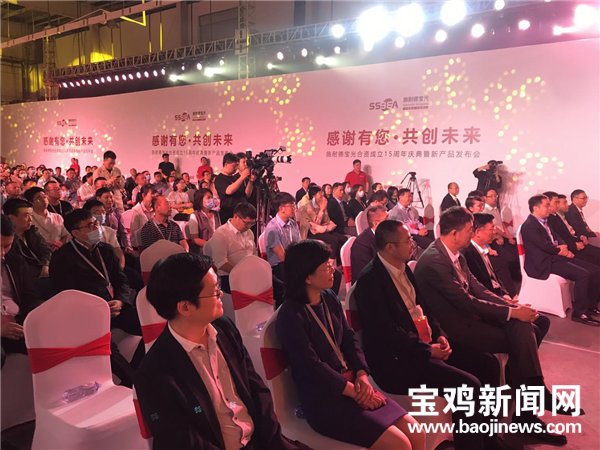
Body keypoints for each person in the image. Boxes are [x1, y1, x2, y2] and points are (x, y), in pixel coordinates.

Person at [413, 206, 579, 438]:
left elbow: (479, 289)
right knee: (524, 334)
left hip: (468, 319)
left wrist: (514, 309)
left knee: (526, 328)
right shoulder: (434, 261)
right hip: (453, 330)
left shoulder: (455, 253)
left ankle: (530, 399)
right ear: (454, 233)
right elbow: (467, 302)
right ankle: (531, 401)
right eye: (469, 230)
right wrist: (512, 313)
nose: (473, 234)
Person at [134, 253, 311, 450]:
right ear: (185, 307)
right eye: (214, 292)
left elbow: (256, 389)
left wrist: (274, 441)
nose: (220, 295)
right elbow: (183, 441)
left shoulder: (224, 329)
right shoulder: (153, 372)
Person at [355, 220, 504, 450]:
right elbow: (387, 332)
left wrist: (440, 335)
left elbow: (424, 308)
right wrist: (427, 350)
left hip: (423, 344)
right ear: (390, 247)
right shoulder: (370, 280)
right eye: (408, 241)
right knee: (467, 386)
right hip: (398, 361)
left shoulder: (403, 268)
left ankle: (488, 439)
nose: (413, 244)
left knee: (489, 364)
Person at [277, 240, 424, 450]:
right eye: (326, 267)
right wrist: (355, 392)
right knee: (399, 444)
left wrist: (363, 374)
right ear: (307, 277)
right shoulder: (291, 316)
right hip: (325, 399)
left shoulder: (329, 298)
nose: (333, 271)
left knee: (416, 431)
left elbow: (348, 339)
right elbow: (311, 367)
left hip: (355, 384)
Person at [50, 209, 143, 387]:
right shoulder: (62, 257)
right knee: (105, 343)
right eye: (90, 226)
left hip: (115, 306)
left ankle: (138, 371)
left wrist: (121, 301)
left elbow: (122, 281)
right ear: (76, 233)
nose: (96, 228)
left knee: (152, 326)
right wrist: (98, 308)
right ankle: (135, 384)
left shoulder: (106, 250)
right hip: (87, 314)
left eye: (96, 224)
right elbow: (66, 294)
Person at [462, 213, 550, 343]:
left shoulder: (481, 249)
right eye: (491, 228)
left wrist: (506, 295)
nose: (494, 232)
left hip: (498, 299)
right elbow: (480, 289)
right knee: (537, 325)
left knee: (540, 320)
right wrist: (506, 303)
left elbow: (494, 279)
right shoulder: (468, 254)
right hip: (489, 307)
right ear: (478, 232)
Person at [521, 195, 600, 327]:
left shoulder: (545, 221)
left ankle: (590, 305)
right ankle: (579, 313)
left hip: (556, 257)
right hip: (545, 262)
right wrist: (562, 250)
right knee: (583, 275)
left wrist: (563, 245)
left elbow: (557, 236)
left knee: (596, 270)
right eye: (546, 205)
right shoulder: (530, 225)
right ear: (536, 208)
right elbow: (543, 245)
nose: (549, 207)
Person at [1, 215, 43, 369]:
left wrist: (36, 316)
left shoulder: (16, 262)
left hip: (17, 322)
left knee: (53, 339)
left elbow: (29, 296)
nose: (2, 253)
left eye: (7, 246)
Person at [204, 203, 258, 293]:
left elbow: (254, 255)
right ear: (236, 217)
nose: (249, 226)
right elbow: (221, 263)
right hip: (230, 277)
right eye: (247, 223)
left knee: (274, 285)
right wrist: (243, 271)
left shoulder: (249, 233)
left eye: (252, 224)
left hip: (250, 274)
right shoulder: (221, 233)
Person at [3, 199, 52, 280]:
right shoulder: (6, 238)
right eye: (26, 216)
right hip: (24, 277)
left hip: (43, 272)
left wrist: (45, 265)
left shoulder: (32, 232)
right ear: (11, 218)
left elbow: (46, 250)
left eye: (31, 215)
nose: (30, 219)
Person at [549, 193, 600, 266]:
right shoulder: (567, 214)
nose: (586, 200)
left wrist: (581, 237)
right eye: (583, 198)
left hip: (577, 241)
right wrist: (575, 244)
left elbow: (575, 231)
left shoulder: (558, 216)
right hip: (571, 247)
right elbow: (562, 237)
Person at [298, 186, 345, 261]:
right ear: (314, 195)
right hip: (311, 232)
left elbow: (326, 220)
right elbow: (315, 225)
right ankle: (331, 261)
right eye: (319, 193)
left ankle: (341, 261)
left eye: (322, 193)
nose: (322, 194)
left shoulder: (321, 204)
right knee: (335, 240)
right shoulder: (308, 207)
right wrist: (322, 210)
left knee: (343, 238)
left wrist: (324, 209)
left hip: (321, 228)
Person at [483, 188, 520, 282]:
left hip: (502, 236)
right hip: (495, 239)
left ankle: (517, 276)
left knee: (518, 249)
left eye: (495, 196)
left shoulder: (495, 208)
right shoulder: (485, 211)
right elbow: (494, 228)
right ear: (485, 198)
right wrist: (505, 236)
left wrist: (509, 235)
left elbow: (501, 224)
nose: (494, 198)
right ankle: (513, 278)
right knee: (511, 257)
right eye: (490, 196)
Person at [351, 205, 388, 282]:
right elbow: (367, 273)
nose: (390, 222)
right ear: (376, 223)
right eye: (386, 220)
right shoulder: (362, 244)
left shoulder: (387, 236)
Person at [215, 153, 254, 223]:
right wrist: (242, 177)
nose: (236, 168)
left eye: (237, 165)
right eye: (234, 165)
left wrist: (251, 181)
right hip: (229, 213)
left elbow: (247, 194)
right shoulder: (219, 178)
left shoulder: (234, 178)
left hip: (242, 213)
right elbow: (229, 191)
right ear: (226, 164)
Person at [95, 187, 132, 252]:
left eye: (111, 197)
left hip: (116, 245)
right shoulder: (94, 215)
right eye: (106, 198)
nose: (110, 200)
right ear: (98, 199)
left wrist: (127, 245)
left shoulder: (116, 212)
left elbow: (123, 232)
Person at [187, 188, 221, 254]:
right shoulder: (195, 216)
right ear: (200, 201)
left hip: (218, 248)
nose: (211, 200)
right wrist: (211, 245)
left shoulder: (216, 214)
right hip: (203, 250)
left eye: (212, 197)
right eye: (208, 198)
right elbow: (195, 239)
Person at [130, 184, 158, 250]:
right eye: (152, 193)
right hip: (140, 245)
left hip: (155, 242)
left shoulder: (156, 208)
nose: (155, 196)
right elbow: (134, 232)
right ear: (143, 195)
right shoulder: (136, 210)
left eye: (155, 193)